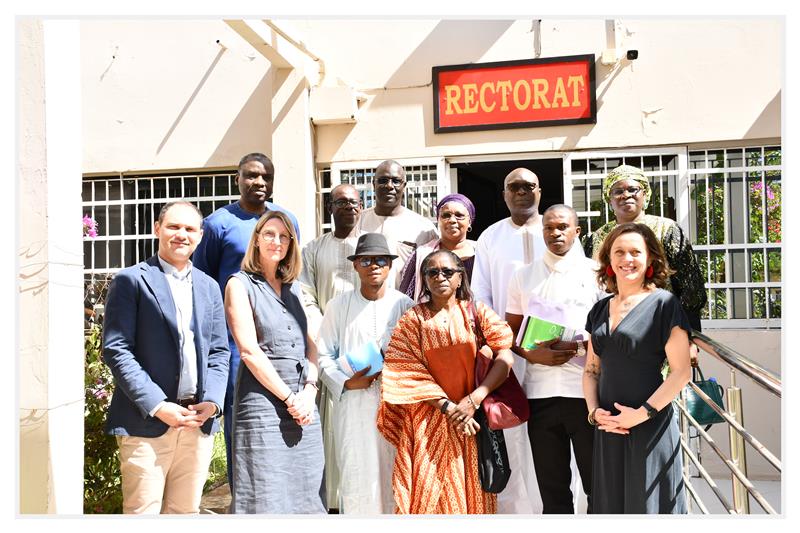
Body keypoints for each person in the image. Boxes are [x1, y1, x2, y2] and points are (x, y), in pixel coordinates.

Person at [103, 201, 230, 514]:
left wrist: (212, 403)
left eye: (189, 229)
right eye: (173, 227)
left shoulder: (210, 287)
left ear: (200, 236)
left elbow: (218, 351)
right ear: (157, 229)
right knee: (142, 513)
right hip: (146, 422)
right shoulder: (130, 281)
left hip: (195, 423)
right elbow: (116, 349)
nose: (181, 235)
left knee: (185, 514)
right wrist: (159, 406)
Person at [377, 250, 515, 514]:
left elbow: (505, 357)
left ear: (460, 277)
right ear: (425, 280)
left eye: (447, 271)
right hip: (428, 422)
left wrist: (473, 400)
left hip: (473, 422)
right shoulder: (412, 320)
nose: (440, 276)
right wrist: (449, 408)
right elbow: (404, 370)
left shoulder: (478, 313)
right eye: (432, 272)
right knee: (427, 492)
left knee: (472, 491)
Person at [192, 152, 300, 484]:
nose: (259, 183)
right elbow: (203, 284)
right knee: (241, 420)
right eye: (251, 176)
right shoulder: (218, 224)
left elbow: (292, 275)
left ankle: (279, 495)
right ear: (237, 179)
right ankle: (244, 497)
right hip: (237, 343)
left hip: (280, 339)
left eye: (265, 177)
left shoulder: (286, 220)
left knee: (284, 414)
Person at [583, 222, 692, 514]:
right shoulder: (598, 310)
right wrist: (595, 414)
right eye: (619, 252)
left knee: (648, 508)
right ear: (608, 260)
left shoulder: (664, 304)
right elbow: (592, 370)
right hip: (608, 428)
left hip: (649, 425)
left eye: (635, 252)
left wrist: (639, 415)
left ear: (650, 260)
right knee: (611, 506)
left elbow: (681, 372)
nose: (626, 259)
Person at [506, 205, 606, 514]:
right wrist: (531, 353)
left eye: (563, 226)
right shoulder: (523, 276)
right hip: (541, 394)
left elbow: (610, 334)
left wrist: (575, 350)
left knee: (597, 486)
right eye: (548, 227)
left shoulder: (597, 274)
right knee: (552, 490)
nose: (555, 233)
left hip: (586, 395)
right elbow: (510, 334)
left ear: (577, 231)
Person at [224, 210, 325, 513]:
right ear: (255, 240)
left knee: (307, 490)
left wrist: (309, 391)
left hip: (303, 405)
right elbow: (249, 352)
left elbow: (314, 345)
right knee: (264, 492)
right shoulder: (239, 285)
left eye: (284, 236)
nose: (277, 241)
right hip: (261, 404)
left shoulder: (295, 288)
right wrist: (289, 397)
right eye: (269, 234)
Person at [316, 233, 414, 514]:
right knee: (359, 477)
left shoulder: (404, 305)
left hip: (396, 407)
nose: (374, 265)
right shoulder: (338, 306)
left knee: (395, 475)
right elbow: (323, 356)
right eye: (366, 260)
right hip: (354, 405)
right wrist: (347, 383)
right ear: (356, 265)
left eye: (380, 260)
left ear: (390, 266)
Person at [471, 167, 550, 513]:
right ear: (504, 195)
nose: (521, 192)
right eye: (513, 187)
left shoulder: (557, 229)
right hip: (509, 353)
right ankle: (517, 514)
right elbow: (482, 294)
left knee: (552, 434)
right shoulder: (490, 237)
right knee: (514, 435)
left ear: (539, 191)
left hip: (555, 354)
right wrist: (500, 340)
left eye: (527, 186)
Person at [299, 182, 363, 511]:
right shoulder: (313, 249)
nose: (348, 207)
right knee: (332, 429)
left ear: (362, 207)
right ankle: (335, 503)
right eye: (341, 202)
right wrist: (324, 334)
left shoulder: (371, 248)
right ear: (330, 208)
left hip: (367, 351)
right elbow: (305, 294)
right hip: (326, 348)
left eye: (354, 202)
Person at [582, 164, 706, 332]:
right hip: (611, 327)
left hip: (661, 326)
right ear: (609, 200)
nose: (626, 195)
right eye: (618, 191)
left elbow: (691, 288)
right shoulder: (597, 238)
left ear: (645, 195)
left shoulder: (666, 229)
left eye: (633, 189)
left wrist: (688, 335)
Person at [358, 159, 438, 288]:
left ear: (404, 186)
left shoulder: (423, 227)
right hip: (362, 304)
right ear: (373, 184)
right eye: (383, 180)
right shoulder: (357, 222)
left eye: (396, 181)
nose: (389, 186)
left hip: (407, 305)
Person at [398, 193, 477, 302]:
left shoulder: (482, 253)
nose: (452, 220)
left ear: (470, 221)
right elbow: (405, 297)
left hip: (477, 316)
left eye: (459, 215)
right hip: (431, 318)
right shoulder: (422, 254)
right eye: (446, 215)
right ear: (438, 220)